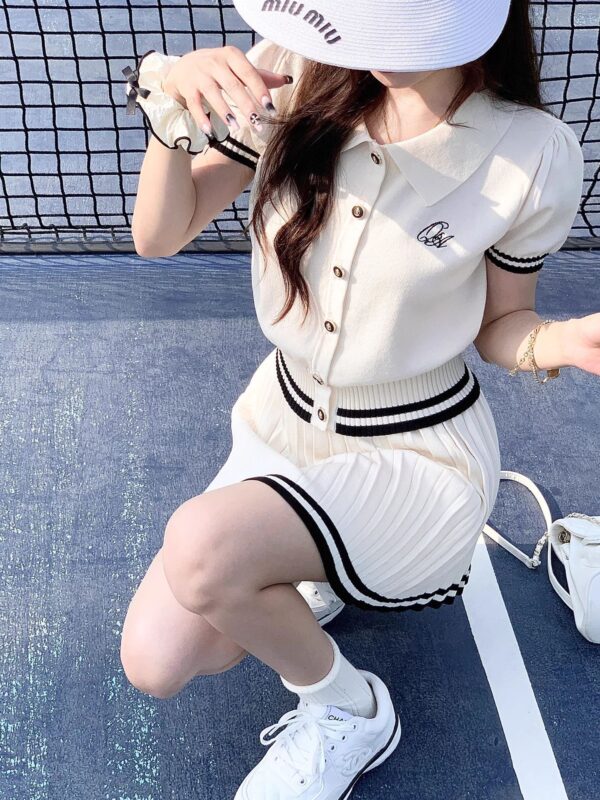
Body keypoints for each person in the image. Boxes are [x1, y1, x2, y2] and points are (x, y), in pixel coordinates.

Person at [119, 1, 600, 797]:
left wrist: (562, 342)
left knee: (203, 548)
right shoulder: (293, 66)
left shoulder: (532, 151)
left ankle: (349, 708)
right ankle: (305, 554)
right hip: (281, 422)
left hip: (419, 452)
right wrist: (171, 117)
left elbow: (501, 326)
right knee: (156, 659)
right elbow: (159, 235)